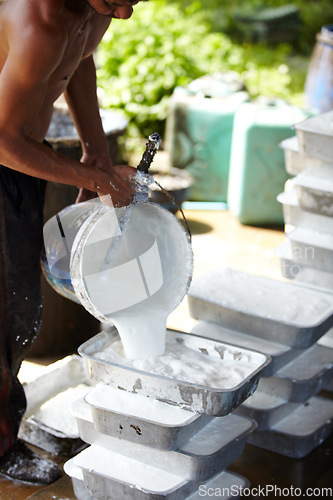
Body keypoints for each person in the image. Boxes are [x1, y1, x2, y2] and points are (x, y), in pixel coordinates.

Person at [0, 0, 143, 485]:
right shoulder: (40, 19)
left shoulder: (93, 7)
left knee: (20, 307)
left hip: (22, 156)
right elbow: (1, 139)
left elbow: (78, 59)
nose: (124, 13)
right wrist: (92, 178)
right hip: (4, 151)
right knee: (6, 314)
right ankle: (0, 451)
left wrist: (96, 152)